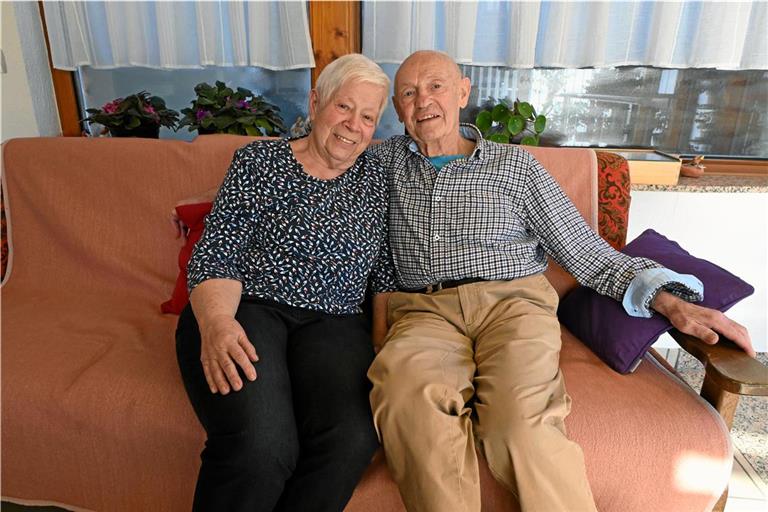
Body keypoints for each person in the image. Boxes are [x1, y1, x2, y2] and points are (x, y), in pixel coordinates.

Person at [362, 50, 755, 512]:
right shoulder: (379, 164)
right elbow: (318, 141)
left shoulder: (516, 167)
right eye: (407, 92)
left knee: (520, 425)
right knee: (408, 405)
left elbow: (585, 252)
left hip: (512, 307)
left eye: (435, 86)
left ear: (463, 92)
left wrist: (670, 302)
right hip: (425, 311)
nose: (422, 100)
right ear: (396, 108)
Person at [175, 53, 396, 512]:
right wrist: (216, 322)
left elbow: (385, 275)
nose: (354, 125)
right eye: (344, 107)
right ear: (316, 103)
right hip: (247, 306)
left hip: (336, 322)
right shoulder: (259, 162)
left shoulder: (378, 178)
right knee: (261, 446)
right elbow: (218, 250)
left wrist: (382, 348)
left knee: (352, 439)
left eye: (369, 116)